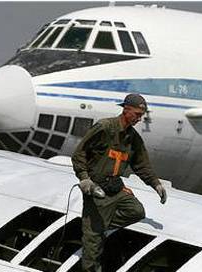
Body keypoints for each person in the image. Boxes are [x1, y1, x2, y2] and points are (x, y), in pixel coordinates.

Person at [71, 93, 167, 272]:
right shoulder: (105, 127)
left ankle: (95, 227)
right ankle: (94, 233)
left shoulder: (133, 138)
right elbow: (79, 154)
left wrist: (156, 184)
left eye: (141, 115)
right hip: (96, 188)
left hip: (115, 187)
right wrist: (84, 179)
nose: (139, 119)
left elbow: (141, 164)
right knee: (93, 248)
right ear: (126, 110)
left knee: (136, 211)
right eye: (137, 114)